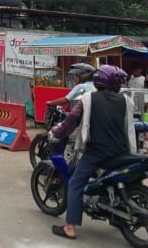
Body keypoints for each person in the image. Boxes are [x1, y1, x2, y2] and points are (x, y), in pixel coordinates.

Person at [49, 65, 136, 241]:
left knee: (75, 183)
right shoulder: (126, 101)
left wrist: (57, 131)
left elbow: (71, 120)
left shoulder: (88, 99)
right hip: (122, 152)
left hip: (96, 152)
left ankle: (69, 227)